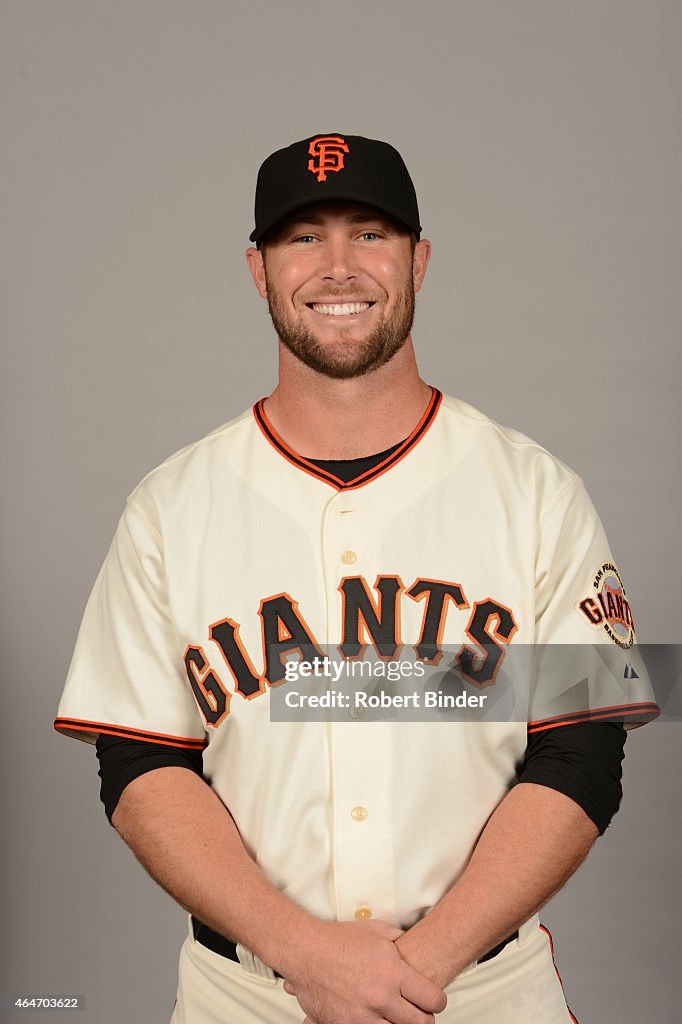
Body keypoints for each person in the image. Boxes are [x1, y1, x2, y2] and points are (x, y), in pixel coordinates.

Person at [55, 132, 659, 1024]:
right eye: (304, 236)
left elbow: (583, 754)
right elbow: (140, 759)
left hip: (483, 995)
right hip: (244, 1000)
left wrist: (413, 970)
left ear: (420, 258)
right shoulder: (168, 507)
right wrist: (305, 954)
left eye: (370, 232)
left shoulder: (537, 492)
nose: (338, 265)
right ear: (257, 269)